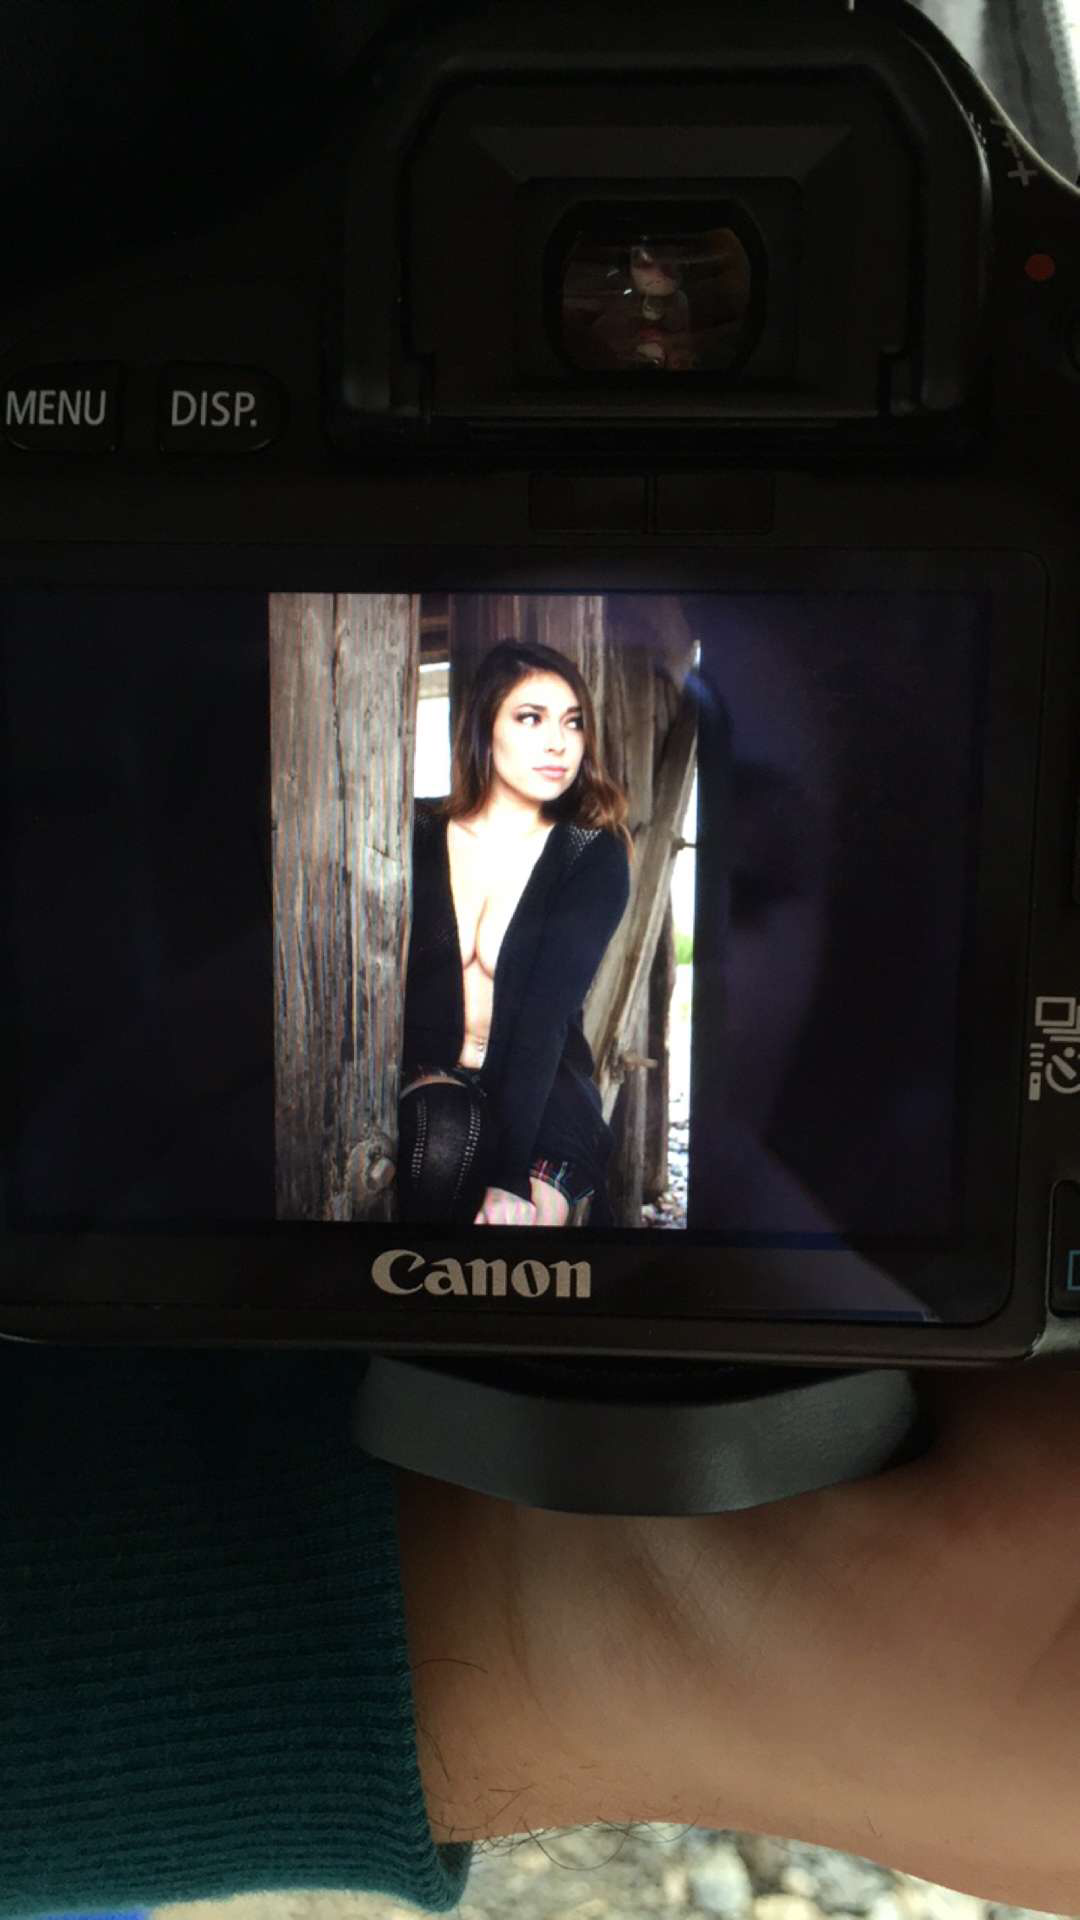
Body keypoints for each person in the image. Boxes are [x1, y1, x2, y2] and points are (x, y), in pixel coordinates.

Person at [396, 640, 631, 1229]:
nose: (559, 743)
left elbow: (543, 1022)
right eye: (531, 718)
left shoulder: (590, 854)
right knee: (441, 1139)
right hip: (435, 1075)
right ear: (485, 726)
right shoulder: (414, 832)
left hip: (543, 1086)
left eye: (573, 722)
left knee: (530, 1220)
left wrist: (510, 1178)